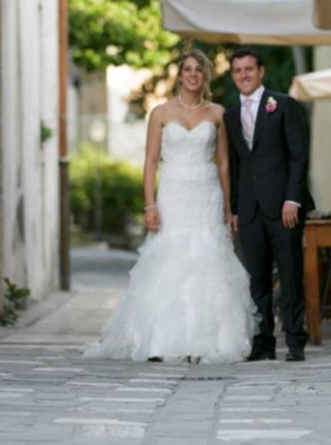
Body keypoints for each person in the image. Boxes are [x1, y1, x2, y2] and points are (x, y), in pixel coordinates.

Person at [84, 50, 256, 363]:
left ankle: (209, 339)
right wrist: (149, 204)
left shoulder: (217, 114)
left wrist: (229, 209)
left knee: (208, 262)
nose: (192, 75)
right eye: (187, 69)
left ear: (205, 77)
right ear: (179, 75)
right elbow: (150, 161)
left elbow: (224, 163)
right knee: (171, 259)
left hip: (207, 193)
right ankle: (161, 340)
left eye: (199, 70)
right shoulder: (161, 113)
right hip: (173, 193)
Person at [224, 48, 314, 362]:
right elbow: (236, 166)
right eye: (238, 70)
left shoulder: (284, 105)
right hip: (249, 211)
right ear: (233, 75)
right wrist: (234, 210)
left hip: (284, 207)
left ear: (261, 72)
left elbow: (299, 155)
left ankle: (295, 341)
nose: (244, 75)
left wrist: (293, 199)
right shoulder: (230, 116)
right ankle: (263, 343)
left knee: (290, 275)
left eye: (249, 69)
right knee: (256, 279)